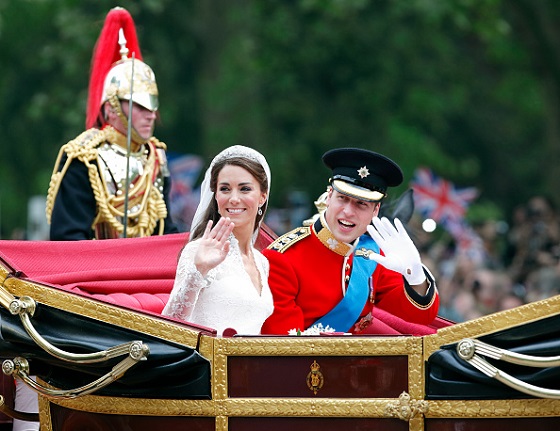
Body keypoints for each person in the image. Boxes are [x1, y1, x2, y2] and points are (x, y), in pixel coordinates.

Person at [261, 148, 439, 335]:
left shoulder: (371, 255)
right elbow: (282, 349)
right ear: (329, 196)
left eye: (361, 204)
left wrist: (415, 277)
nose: (348, 211)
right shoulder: (282, 258)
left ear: (376, 210)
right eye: (342, 198)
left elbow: (420, 317)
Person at [46, 7, 177, 240]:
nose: (151, 115)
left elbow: (165, 230)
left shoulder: (155, 159)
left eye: (152, 106)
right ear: (111, 109)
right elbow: (69, 237)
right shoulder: (85, 159)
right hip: (96, 272)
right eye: (139, 106)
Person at [162, 145, 273, 335]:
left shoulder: (262, 262)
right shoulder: (197, 251)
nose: (234, 198)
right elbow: (168, 329)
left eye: (245, 189)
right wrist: (199, 270)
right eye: (225, 189)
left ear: (262, 196)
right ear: (215, 196)